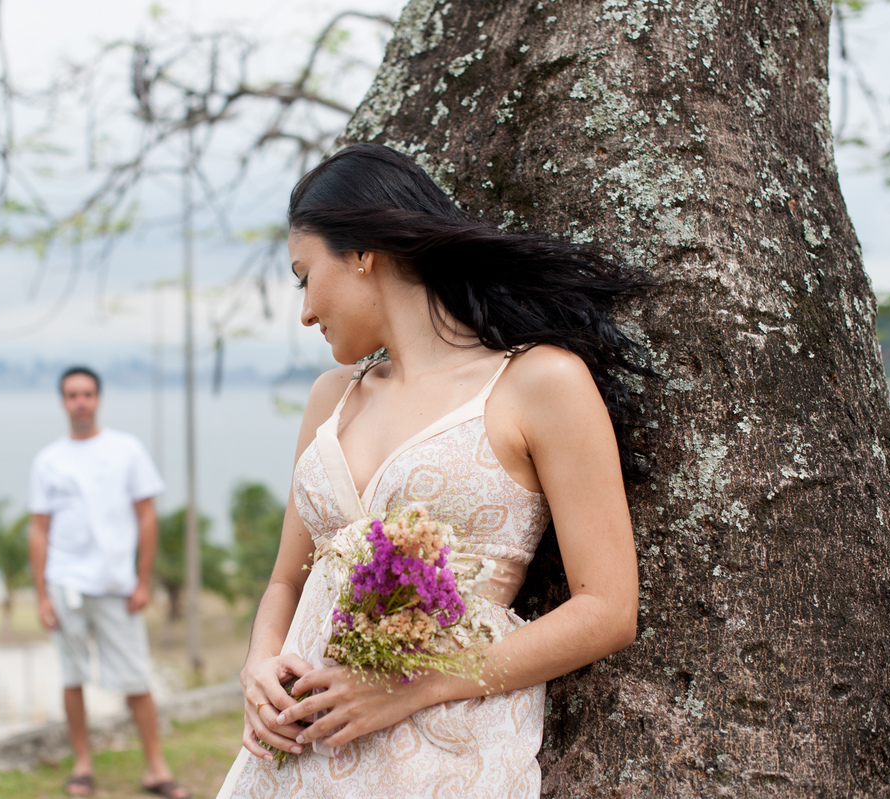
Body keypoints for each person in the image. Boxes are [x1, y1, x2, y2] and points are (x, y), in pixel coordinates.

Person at [217, 144, 651, 797]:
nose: (304, 310)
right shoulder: (332, 398)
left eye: (305, 276)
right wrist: (259, 662)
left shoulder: (540, 382)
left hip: (442, 752)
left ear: (362, 253)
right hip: (296, 756)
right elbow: (287, 579)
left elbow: (609, 610)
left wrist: (411, 685)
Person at [29, 366, 189, 799]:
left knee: (136, 679)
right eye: (72, 395)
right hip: (65, 585)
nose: (80, 402)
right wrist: (41, 594)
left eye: (87, 393)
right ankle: (82, 765)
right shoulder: (48, 460)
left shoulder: (126, 450)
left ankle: (156, 767)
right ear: (63, 402)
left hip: (117, 586)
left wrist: (143, 580)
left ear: (98, 398)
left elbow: (147, 516)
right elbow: (39, 529)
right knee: (72, 677)